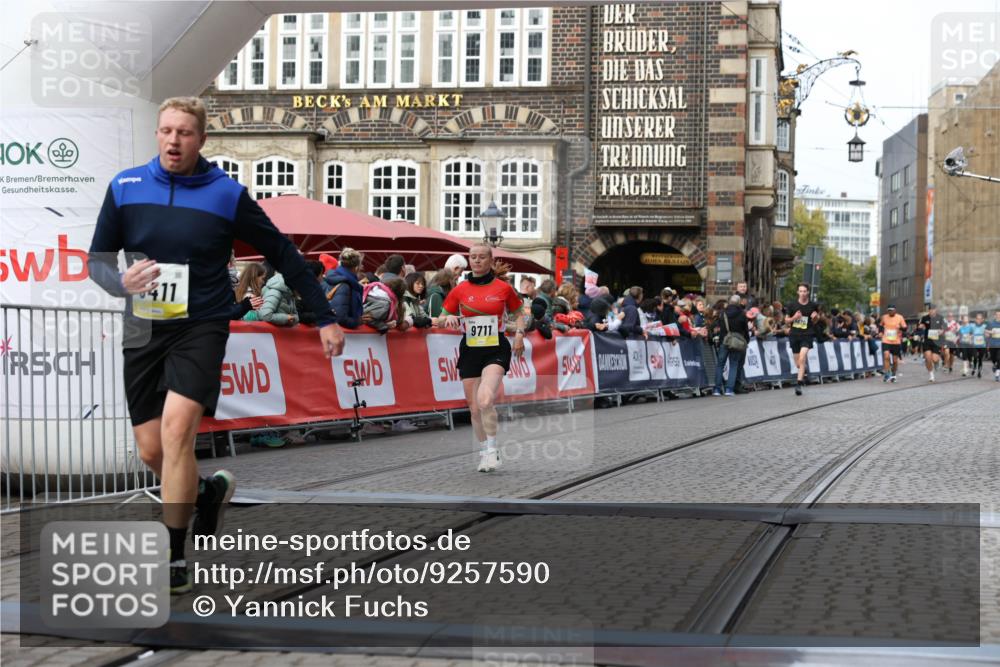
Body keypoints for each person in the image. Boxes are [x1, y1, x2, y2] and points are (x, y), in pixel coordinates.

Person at [87, 96, 344, 595]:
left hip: (201, 325)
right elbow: (97, 260)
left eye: (183, 132)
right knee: (149, 450)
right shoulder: (125, 186)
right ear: (156, 135)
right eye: (165, 131)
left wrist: (325, 317)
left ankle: (173, 554)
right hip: (144, 326)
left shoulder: (226, 194)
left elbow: (284, 253)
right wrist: (120, 283)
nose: (172, 141)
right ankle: (206, 491)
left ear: (202, 138)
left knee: (177, 433)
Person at [441, 244, 526, 473]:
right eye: (473, 257)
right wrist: (447, 319)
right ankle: (484, 452)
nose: (477, 261)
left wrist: (519, 335)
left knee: (485, 399)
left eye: (481, 257)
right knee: (474, 408)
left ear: (490, 260)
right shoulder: (459, 289)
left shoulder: (503, 288)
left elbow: (519, 313)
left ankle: (492, 449)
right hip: (470, 349)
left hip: (496, 347)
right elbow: (443, 314)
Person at [784, 283, 821, 396]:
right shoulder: (792, 305)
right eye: (801, 291)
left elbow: (816, 320)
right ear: (797, 292)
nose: (803, 293)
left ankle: (798, 384)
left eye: (805, 291)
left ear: (808, 292)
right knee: (798, 363)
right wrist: (794, 318)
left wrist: (815, 317)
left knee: (802, 356)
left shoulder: (813, 305)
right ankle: (803, 371)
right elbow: (786, 321)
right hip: (795, 335)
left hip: (807, 334)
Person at [713, 295, 749, 396]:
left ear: (729, 302)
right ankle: (729, 389)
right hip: (737, 342)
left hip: (725, 340)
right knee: (734, 365)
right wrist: (746, 341)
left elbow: (721, 329)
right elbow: (745, 330)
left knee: (720, 365)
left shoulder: (723, 313)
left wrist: (720, 342)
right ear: (738, 303)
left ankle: (717, 389)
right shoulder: (742, 314)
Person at [325, 248, 365, 329]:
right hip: (342, 335)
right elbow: (340, 318)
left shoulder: (335, 278)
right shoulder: (345, 285)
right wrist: (357, 322)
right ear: (357, 267)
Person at [917, 304, 949, 382]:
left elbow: (946, 326)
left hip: (936, 341)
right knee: (928, 358)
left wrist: (942, 331)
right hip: (927, 340)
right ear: (929, 310)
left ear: (936, 310)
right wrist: (920, 326)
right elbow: (919, 325)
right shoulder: (925, 318)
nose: (932, 311)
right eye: (930, 309)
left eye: (933, 309)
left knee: (935, 359)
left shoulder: (940, 317)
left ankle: (937, 362)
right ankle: (931, 375)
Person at [878, 305, 907, 382]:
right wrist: (880, 332)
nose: (890, 312)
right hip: (886, 339)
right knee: (886, 355)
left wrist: (900, 327)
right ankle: (887, 373)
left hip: (896, 341)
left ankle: (893, 374)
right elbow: (880, 325)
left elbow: (905, 328)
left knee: (895, 361)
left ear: (895, 310)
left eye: (892, 310)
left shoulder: (900, 317)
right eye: (889, 310)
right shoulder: (884, 317)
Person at [968, 312, 989, 379]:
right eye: (977, 319)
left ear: (982, 319)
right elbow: (969, 333)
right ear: (975, 319)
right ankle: (974, 367)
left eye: (980, 319)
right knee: (975, 356)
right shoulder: (972, 326)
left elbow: (988, 335)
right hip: (974, 345)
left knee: (980, 359)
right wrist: (970, 336)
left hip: (982, 345)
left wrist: (987, 335)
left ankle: (979, 371)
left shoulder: (985, 326)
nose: (978, 320)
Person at [988, 309, 1000, 382]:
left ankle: (997, 374)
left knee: (999, 358)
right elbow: (986, 332)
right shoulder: (991, 324)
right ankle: (995, 365)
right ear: (995, 315)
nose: (998, 316)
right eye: (997, 315)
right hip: (993, 344)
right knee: (993, 358)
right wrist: (990, 332)